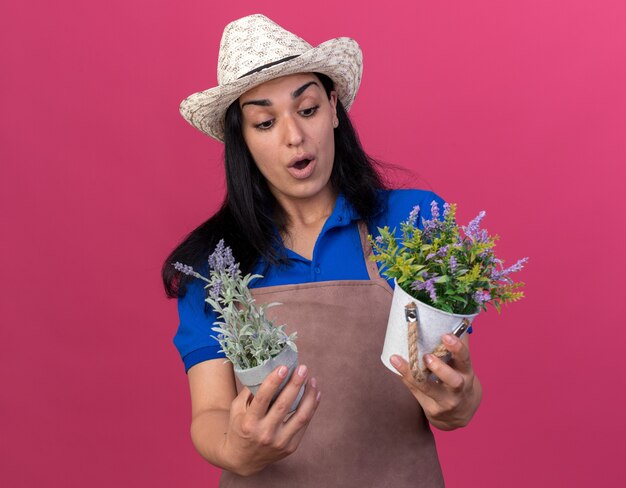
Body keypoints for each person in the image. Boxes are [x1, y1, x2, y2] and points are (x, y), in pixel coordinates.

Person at [162, 14, 482, 487]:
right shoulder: (215, 263)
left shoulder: (414, 223)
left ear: (334, 108)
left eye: (307, 109)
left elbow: (452, 392)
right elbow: (209, 412)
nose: (294, 136)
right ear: (242, 139)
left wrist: (458, 400)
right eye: (265, 122)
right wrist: (238, 448)